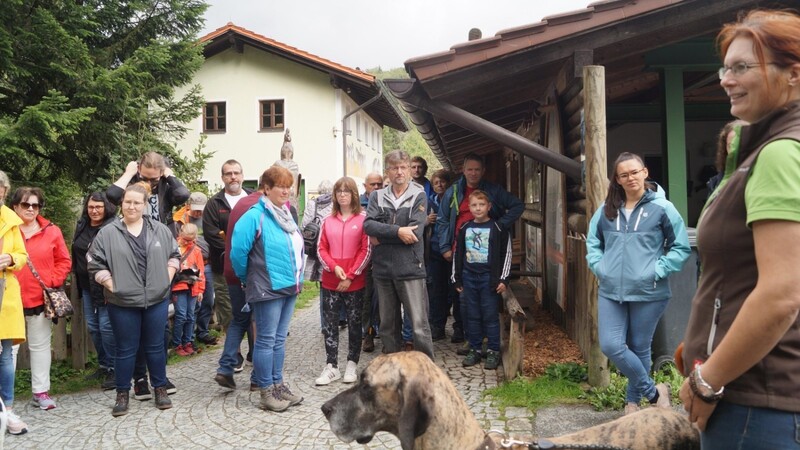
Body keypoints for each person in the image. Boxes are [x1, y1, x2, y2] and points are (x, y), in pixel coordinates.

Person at [678, 10, 800, 449]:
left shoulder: (781, 153)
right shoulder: (770, 147)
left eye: (742, 67)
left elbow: (781, 295)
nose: (726, 79)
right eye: (724, 68)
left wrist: (707, 380)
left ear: (793, 74)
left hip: (756, 403)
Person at [586, 152, 690, 415]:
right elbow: (593, 242)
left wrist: (657, 270)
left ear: (644, 172)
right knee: (611, 346)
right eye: (624, 174)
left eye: (634, 172)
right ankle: (655, 392)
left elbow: (680, 247)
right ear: (617, 179)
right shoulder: (607, 209)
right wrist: (600, 267)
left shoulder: (662, 208)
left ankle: (632, 403)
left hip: (649, 290)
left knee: (640, 347)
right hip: (611, 291)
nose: (630, 178)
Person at [88, 182, 180, 416]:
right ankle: (122, 393)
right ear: (121, 204)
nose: (131, 206)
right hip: (122, 303)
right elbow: (94, 262)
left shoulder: (160, 230)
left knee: (156, 346)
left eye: (136, 202)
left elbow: (174, 255)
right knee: (125, 349)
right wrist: (111, 284)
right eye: (127, 201)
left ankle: (159, 388)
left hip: (156, 299)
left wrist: (166, 278)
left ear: (144, 204)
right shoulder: (108, 233)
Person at [107, 151, 187, 399]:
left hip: (159, 255)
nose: (150, 183)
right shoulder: (130, 186)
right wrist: (130, 173)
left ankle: (158, 376)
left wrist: (169, 174)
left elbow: (183, 195)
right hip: (131, 257)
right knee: (135, 325)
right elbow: (110, 196)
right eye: (146, 176)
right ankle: (139, 378)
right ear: (139, 168)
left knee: (158, 325)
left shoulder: (166, 186)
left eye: (155, 178)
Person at [230, 166, 305, 412]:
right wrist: (247, 277)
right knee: (266, 340)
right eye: (280, 186)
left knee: (279, 339)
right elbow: (238, 253)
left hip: (289, 286)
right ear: (266, 189)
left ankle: (277, 384)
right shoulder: (255, 215)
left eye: (288, 186)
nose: (286, 190)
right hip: (266, 286)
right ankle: (265, 390)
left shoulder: (286, 213)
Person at [437, 152, 524, 346]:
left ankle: (488, 340)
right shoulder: (453, 192)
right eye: (470, 169)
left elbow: (518, 205)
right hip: (460, 249)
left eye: (477, 169)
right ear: (463, 170)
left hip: (487, 254)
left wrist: (499, 226)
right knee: (461, 295)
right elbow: (442, 220)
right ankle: (467, 335)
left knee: (487, 300)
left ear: (483, 171)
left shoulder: (493, 190)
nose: (473, 173)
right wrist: (445, 247)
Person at [364, 150, 434, 359]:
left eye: (403, 167)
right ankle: (393, 368)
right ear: (388, 171)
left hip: (411, 268)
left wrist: (383, 233)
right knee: (387, 325)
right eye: (394, 168)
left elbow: (416, 232)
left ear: (409, 171)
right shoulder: (377, 195)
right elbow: (368, 225)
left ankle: (426, 369)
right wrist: (398, 231)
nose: (399, 172)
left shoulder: (419, 194)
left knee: (419, 325)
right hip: (383, 269)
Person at [12, 187, 72, 411]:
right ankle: (4, 397)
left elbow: (64, 261)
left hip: (40, 299)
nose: (30, 209)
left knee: (40, 347)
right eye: (25, 204)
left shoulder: (52, 231)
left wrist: (52, 281)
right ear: (15, 206)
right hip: (9, 300)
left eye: (35, 205)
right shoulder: (6, 230)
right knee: (8, 351)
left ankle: (40, 392)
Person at [315, 177, 371, 385]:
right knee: (330, 324)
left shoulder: (363, 219)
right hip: (331, 280)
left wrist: (350, 275)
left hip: (354, 282)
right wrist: (333, 267)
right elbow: (321, 248)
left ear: (354, 194)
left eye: (347, 191)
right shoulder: (327, 221)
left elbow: (366, 250)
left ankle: (352, 363)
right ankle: (331, 365)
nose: (343, 195)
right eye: (339, 191)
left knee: (355, 323)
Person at [452, 190, 512, 370]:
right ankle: (475, 349)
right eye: (474, 205)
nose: (478, 208)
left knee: (490, 316)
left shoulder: (498, 228)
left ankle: (493, 350)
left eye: (481, 205)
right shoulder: (465, 228)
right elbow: (458, 254)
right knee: (472, 316)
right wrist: (457, 278)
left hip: (489, 279)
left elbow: (506, 254)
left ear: (489, 207)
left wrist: (503, 278)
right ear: (469, 207)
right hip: (469, 278)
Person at [203, 160, 252, 344]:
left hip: (253, 267)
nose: (233, 177)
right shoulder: (214, 204)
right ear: (222, 177)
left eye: (236, 173)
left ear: (242, 175)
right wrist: (235, 251)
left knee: (254, 311)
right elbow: (211, 234)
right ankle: (235, 354)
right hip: (223, 267)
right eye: (228, 173)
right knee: (227, 311)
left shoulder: (253, 199)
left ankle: (255, 353)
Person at [72, 192, 118, 390]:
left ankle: (117, 368)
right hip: (86, 285)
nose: (94, 210)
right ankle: (105, 365)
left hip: (106, 286)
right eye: (91, 207)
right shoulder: (82, 225)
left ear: (106, 207)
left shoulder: (112, 228)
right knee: (93, 326)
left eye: (98, 207)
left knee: (107, 328)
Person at [0, 170, 29, 435]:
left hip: (5, 293)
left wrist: (10, 258)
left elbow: (21, 254)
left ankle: (7, 411)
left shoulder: (11, 220)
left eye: (0, 187)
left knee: (5, 355)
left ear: (5, 192)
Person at [427, 169, 455, 341]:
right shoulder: (429, 202)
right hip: (435, 251)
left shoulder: (454, 201)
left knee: (454, 290)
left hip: (452, 250)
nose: (439, 185)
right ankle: (438, 326)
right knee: (437, 290)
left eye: (442, 182)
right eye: (436, 182)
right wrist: (426, 220)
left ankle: (459, 327)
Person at [171, 223, 205, 356]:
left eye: (190, 240)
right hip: (178, 286)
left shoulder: (196, 250)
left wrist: (201, 290)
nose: (186, 242)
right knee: (181, 316)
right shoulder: (174, 247)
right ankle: (177, 344)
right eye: (185, 239)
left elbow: (201, 271)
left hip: (193, 286)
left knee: (190, 316)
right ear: (180, 235)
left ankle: (188, 342)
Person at [359, 173, 383, 353]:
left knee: (384, 299)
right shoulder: (357, 205)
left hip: (383, 257)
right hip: (364, 260)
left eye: (379, 184)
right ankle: (367, 333)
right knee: (367, 299)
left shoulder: (388, 202)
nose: (376, 187)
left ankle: (385, 331)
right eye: (372, 184)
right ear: (365, 186)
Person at [302, 180, 333, 283]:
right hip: (329, 244)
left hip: (314, 244)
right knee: (327, 278)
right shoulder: (335, 204)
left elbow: (304, 225)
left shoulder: (312, 203)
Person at [706, 120, 747, 198]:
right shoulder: (716, 183)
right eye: (730, 145)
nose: (733, 150)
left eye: (739, 145)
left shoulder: (761, 176)